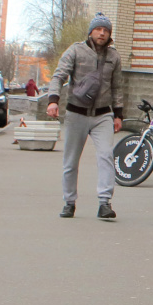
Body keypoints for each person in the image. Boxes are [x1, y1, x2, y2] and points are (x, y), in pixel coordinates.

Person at [46, 12, 124, 220]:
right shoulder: (76, 50)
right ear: (91, 31)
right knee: (70, 161)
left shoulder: (114, 57)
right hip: (76, 113)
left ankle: (104, 203)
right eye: (99, 29)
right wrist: (53, 99)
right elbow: (59, 75)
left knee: (106, 155)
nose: (102, 33)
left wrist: (118, 114)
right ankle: (69, 202)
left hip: (103, 115)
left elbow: (117, 87)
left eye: (106, 30)